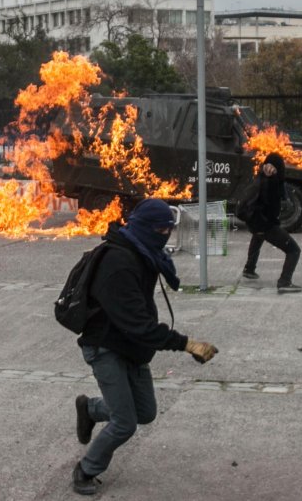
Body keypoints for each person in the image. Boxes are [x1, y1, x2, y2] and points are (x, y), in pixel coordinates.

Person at [72, 198, 218, 496]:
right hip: (105, 346)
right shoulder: (119, 263)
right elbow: (139, 325)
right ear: (145, 227)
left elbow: (138, 326)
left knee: (146, 412)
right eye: (162, 229)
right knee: (125, 423)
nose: (166, 234)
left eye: (169, 228)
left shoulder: (142, 251)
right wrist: (187, 344)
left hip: (131, 346)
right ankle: (85, 470)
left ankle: (90, 408)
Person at [241, 152, 302, 293]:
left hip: (254, 223)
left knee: (257, 237)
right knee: (294, 250)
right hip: (266, 225)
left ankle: (249, 268)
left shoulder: (259, 178)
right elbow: (274, 205)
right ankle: (284, 281)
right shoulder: (273, 182)